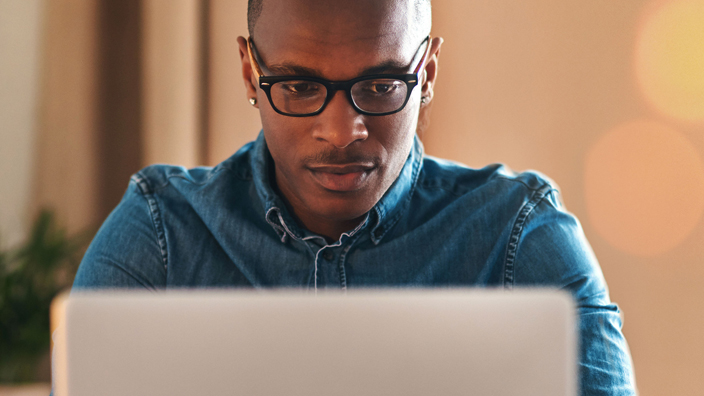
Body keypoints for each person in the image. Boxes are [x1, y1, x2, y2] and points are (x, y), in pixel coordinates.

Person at [70, 0, 636, 394]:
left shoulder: (521, 234)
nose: (342, 133)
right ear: (250, 72)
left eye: (380, 86)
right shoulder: (161, 234)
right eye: (297, 86)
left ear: (428, 70)